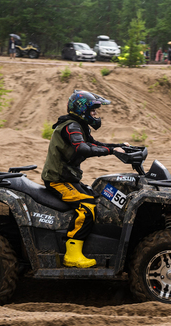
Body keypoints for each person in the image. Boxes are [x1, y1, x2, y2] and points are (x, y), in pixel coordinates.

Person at [41, 90, 126, 268]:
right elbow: (82, 148)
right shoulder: (71, 127)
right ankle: (72, 254)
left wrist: (117, 147)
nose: (96, 115)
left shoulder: (78, 125)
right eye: (93, 111)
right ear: (83, 110)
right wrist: (111, 151)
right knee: (86, 206)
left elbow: (94, 145)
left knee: (97, 199)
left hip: (68, 179)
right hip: (58, 181)